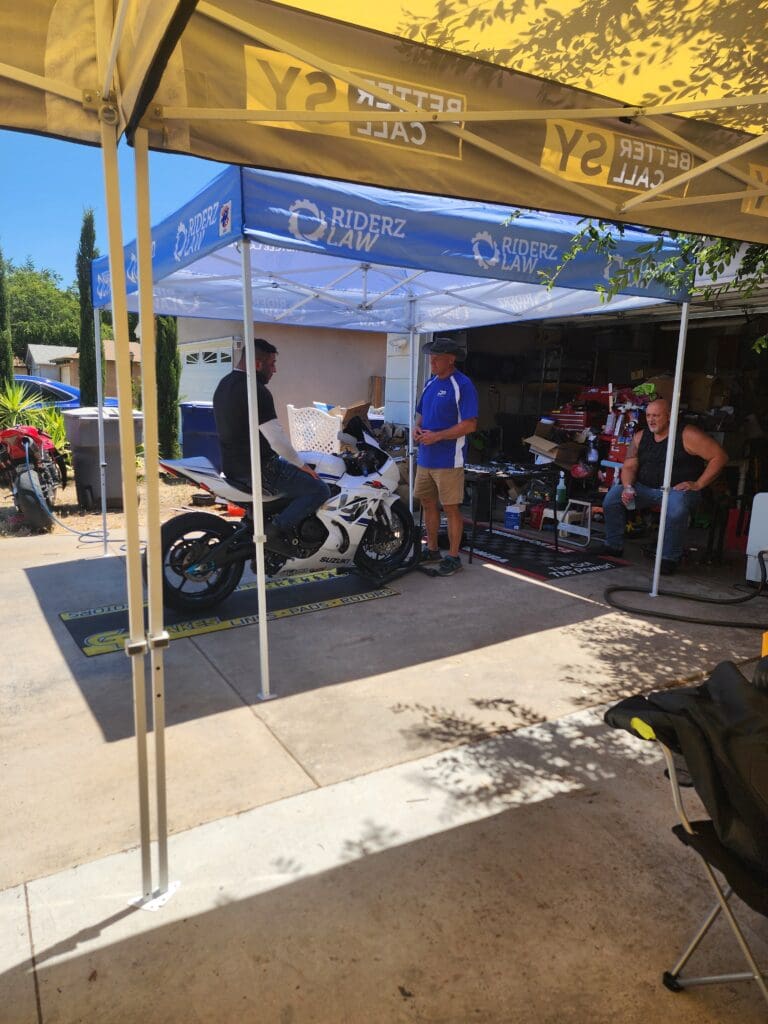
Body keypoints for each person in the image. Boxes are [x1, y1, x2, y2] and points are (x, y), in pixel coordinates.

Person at [213, 337, 330, 555]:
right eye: (272, 364)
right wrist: (301, 464)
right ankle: (274, 533)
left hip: (232, 469)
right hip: (261, 470)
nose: (274, 370)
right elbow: (276, 440)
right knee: (319, 488)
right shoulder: (255, 390)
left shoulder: (224, 385)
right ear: (258, 364)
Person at [601, 397, 728, 574]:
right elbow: (629, 465)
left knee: (676, 510)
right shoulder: (640, 437)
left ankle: (669, 558)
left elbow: (719, 457)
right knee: (613, 497)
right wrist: (628, 486)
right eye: (648, 415)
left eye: (656, 416)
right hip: (644, 489)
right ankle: (613, 546)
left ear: (669, 416)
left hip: (677, 490)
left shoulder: (687, 434)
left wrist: (698, 484)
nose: (651, 420)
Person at [413, 337, 479, 576]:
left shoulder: (462, 384)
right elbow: (420, 413)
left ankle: (453, 556)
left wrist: (438, 436)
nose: (432, 361)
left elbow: (470, 425)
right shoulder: (430, 383)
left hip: (449, 460)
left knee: (451, 508)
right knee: (427, 503)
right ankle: (431, 549)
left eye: (437, 357)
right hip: (425, 457)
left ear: (451, 359)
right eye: (431, 356)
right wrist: (416, 428)